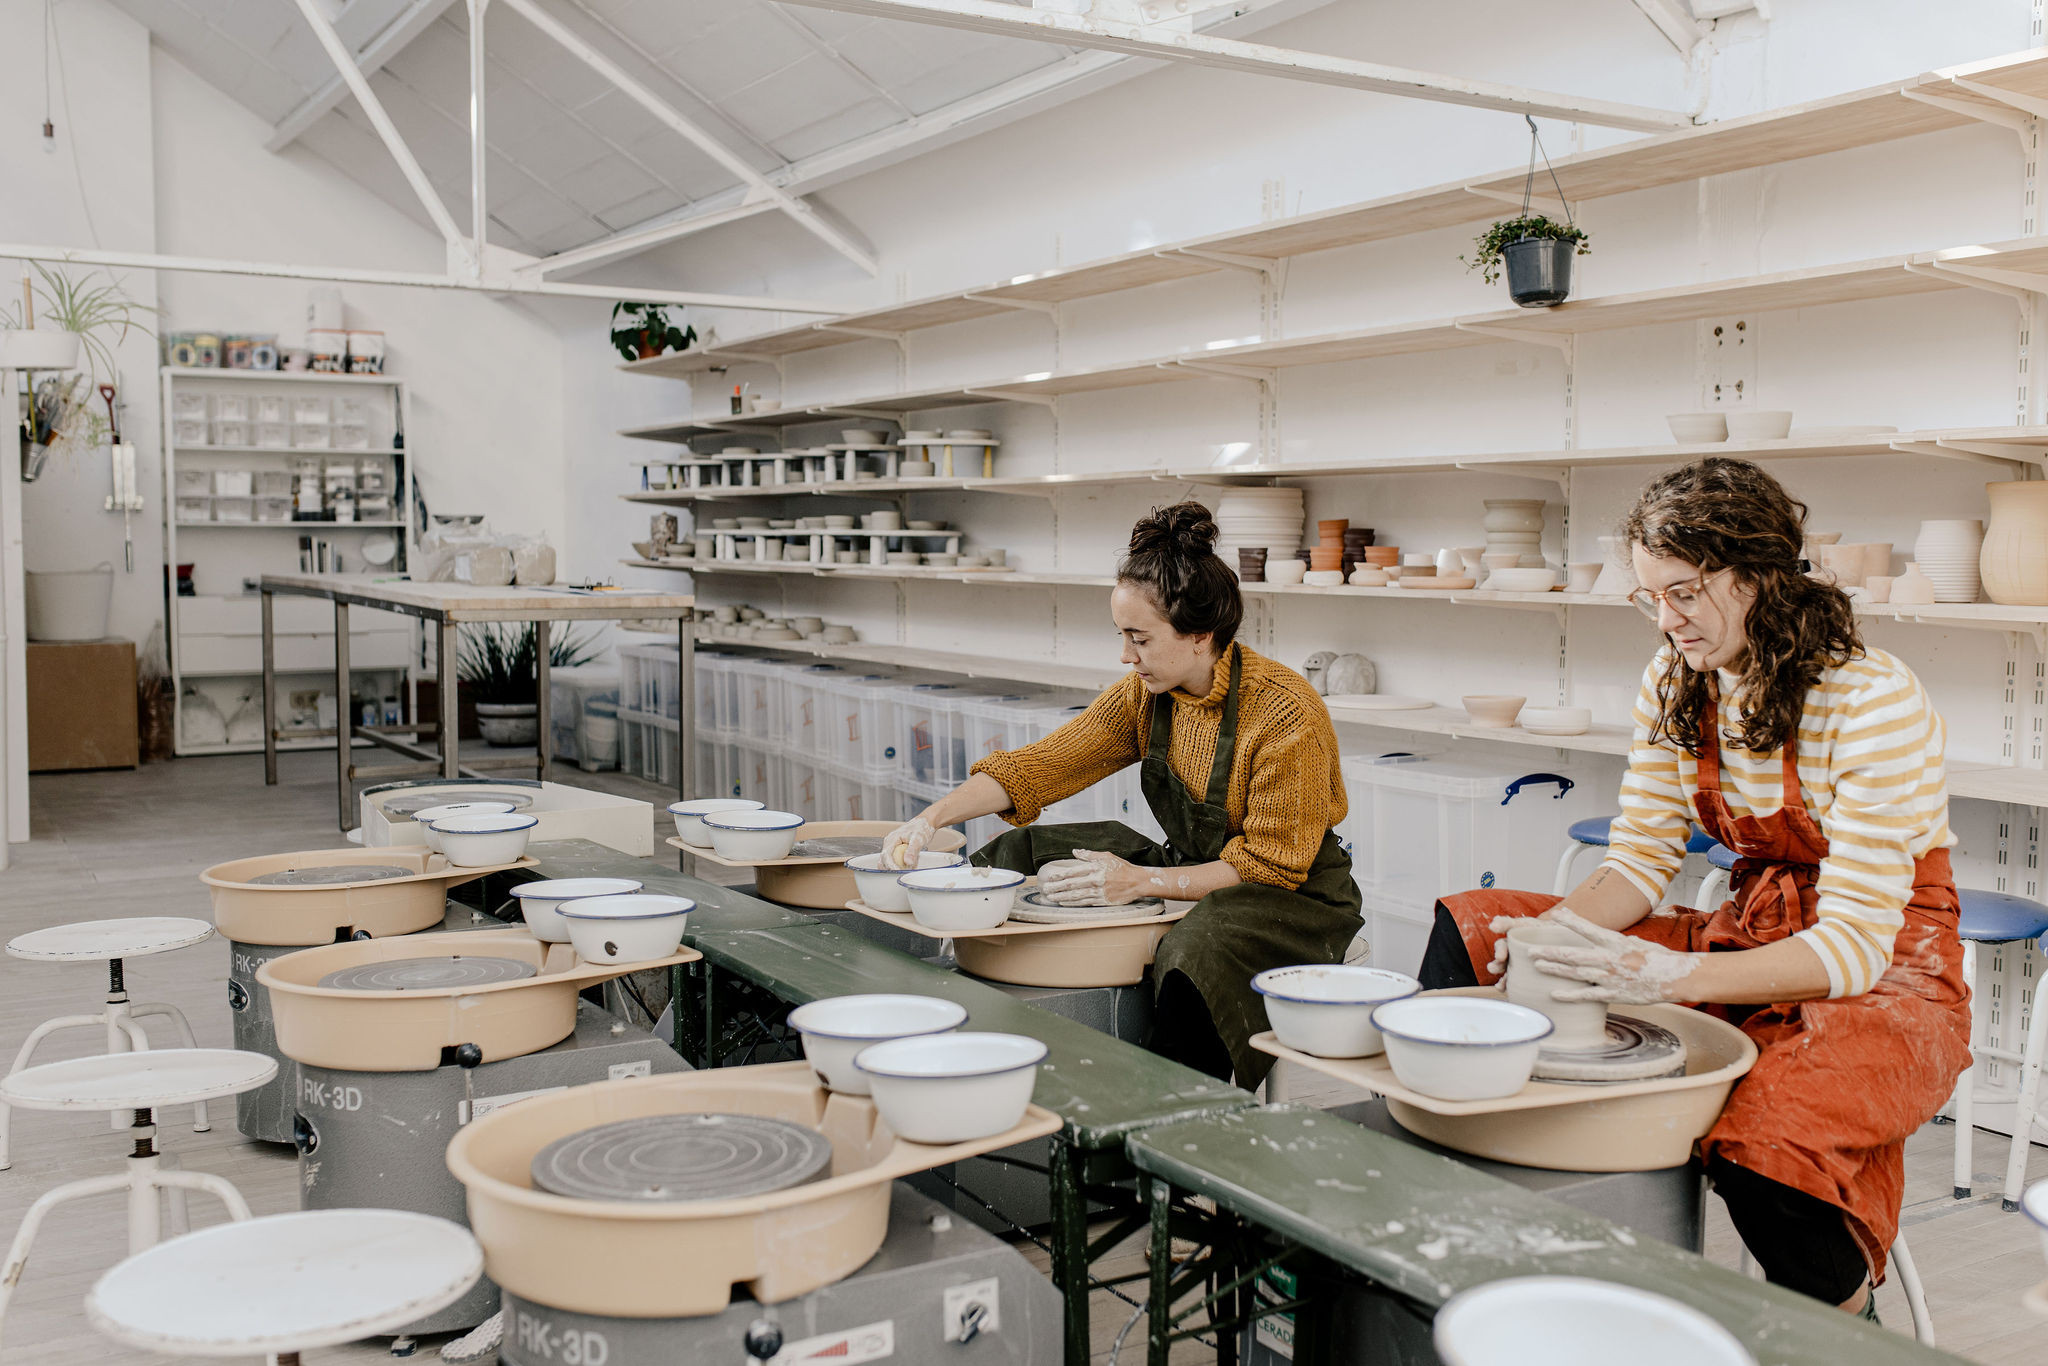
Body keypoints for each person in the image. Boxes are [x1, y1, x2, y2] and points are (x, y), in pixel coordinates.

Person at [1419, 457, 1970, 1320]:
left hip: (1891, 975)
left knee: (1764, 1140)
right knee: (1480, 930)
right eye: (1650, 597)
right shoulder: (1678, 683)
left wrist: (1674, 982)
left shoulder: (1872, 699)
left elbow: (1854, 947)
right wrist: (1553, 936)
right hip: (1748, 933)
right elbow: (1641, 858)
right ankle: (1465, 1233)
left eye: (1683, 593)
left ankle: (1844, 1330)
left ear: (1754, 578)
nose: (1666, 621)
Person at [882, 502, 1361, 1085]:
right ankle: (955, 1037)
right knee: (1019, 852)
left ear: (1200, 635)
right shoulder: (1145, 695)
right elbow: (1040, 767)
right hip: (1195, 866)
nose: (1125, 655)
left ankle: (1174, 1126)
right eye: (1122, 636)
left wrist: (1141, 883)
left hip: (1294, 897)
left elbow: (1271, 864)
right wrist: (930, 819)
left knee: (1196, 950)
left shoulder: (1285, 714)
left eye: (1139, 638)